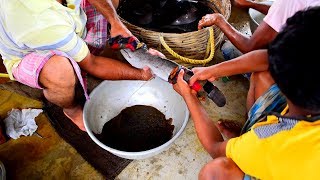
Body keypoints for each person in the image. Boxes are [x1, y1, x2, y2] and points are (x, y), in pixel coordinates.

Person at [173, 6, 320, 179]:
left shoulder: (270, 141)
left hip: (274, 156)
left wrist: (189, 97)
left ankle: (241, 146)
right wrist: (213, 70)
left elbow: (215, 148)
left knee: (215, 172)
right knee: (262, 74)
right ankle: (242, 142)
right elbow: (266, 58)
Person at [0, 0, 162, 131]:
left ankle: (84, 48)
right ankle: (71, 110)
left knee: (112, 2)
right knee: (60, 70)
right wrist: (141, 74)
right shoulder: (38, 22)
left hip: (62, 22)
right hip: (27, 52)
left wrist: (115, 23)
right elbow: (92, 64)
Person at [198, 0, 320, 54]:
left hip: (297, 73)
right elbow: (286, 11)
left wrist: (219, 20)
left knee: (228, 48)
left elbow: (250, 47)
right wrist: (251, 4)